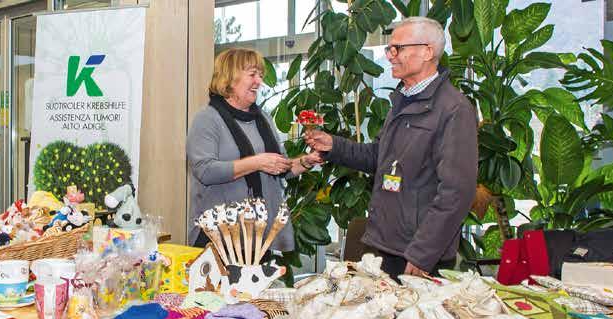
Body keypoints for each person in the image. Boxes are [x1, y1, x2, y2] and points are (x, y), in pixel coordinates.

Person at [305, 16, 478, 278]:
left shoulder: (454, 109)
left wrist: (422, 253)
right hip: (383, 245)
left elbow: (456, 193)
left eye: (398, 48)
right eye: (389, 48)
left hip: (417, 257)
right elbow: (380, 157)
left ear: (427, 52)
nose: (390, 56)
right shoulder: (403, 100)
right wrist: (334, 146)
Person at [187, 48, 322, 255]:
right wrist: (257, 162)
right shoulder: (207, 120)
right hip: (219, 237)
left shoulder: (264, 119)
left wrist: (306, 161)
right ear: (230, 78)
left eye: (260, 75)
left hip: (259, 238)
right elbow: (205, 171)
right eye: (252, 74)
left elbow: (280, 168)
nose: (259, 82)